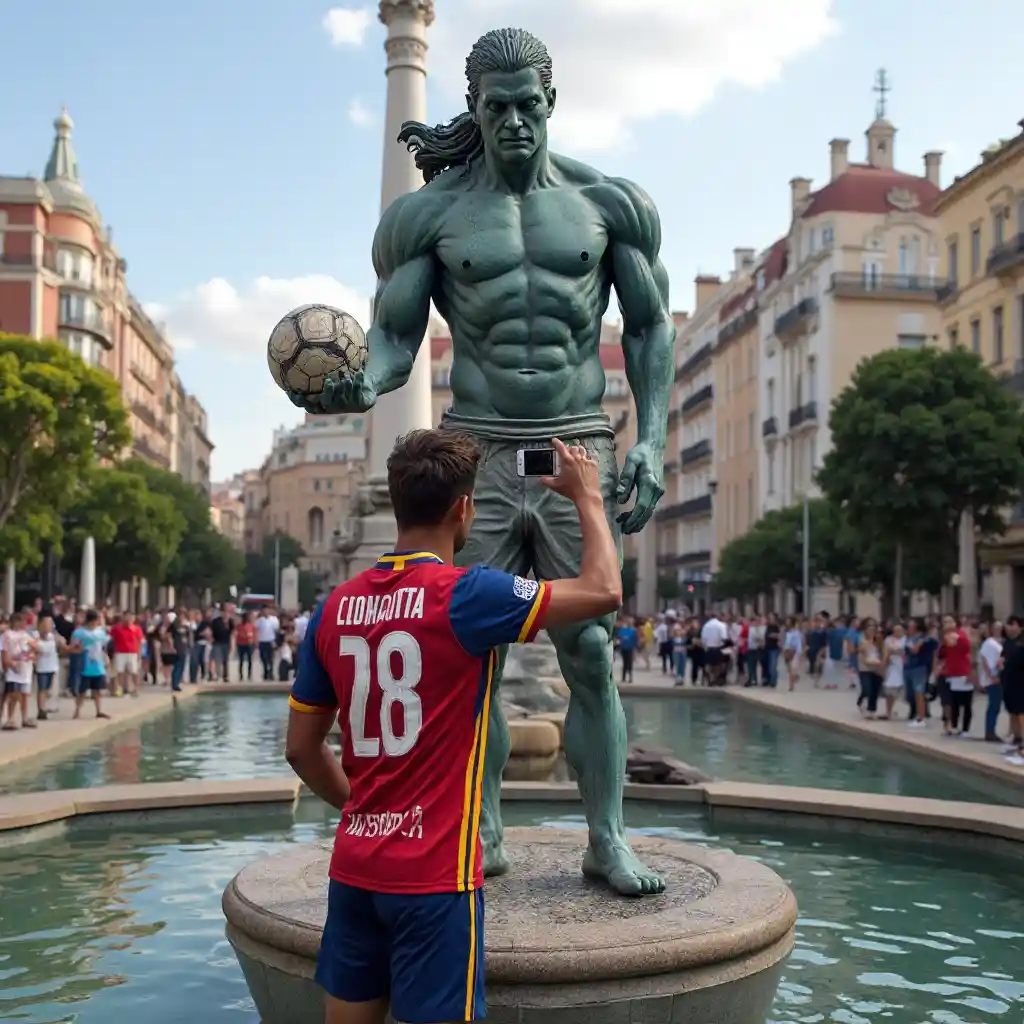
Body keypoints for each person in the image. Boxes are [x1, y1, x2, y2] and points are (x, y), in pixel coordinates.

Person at [284, 26, 673, 897]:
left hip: (580, 441)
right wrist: (358, 383)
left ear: (551, 102)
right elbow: (394, 340)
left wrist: (648, 439)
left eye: (528, 106)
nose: (515, 124)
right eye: (496, 109)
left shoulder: (610, 204)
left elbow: (647, 328)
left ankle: (606, 837)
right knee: (475, 655)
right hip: (481, 448)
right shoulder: (428, 216)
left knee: (592, 652)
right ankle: (486, 828)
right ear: (475, 109)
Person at [284, 431, 622, 1024]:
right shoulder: (467, 596)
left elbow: (301, 750)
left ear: (394, 502)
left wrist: (360, 807)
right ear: (463, 509)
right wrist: (588, 498)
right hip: (435, 881)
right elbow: (603, 590)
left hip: (356, 868)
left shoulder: (333, 608)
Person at [69, 609, 110, 719]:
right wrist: (79, 649)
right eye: (97, 620)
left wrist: (106, 659)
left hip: (98, 664)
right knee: (82, 691)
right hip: (85, 664)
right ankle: (77, 711)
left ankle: (99, 710)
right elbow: (73, 646)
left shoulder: (100, 632)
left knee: (97, 689)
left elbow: (104, 646)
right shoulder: (79, 632)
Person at [1, 611, 36, 730]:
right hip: (13, 668)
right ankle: (10, 718)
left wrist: (31, 653)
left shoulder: (26, 635)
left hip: (25, 668)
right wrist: (9, 663)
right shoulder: (7, 634)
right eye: (20, 621)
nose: (22, 623)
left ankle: (25, 718)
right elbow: (5, 651)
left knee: (25, 695)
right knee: (13, 695)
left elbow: (34, 647)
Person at [110, 611, 144, 697]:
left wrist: (139, 653)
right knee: (120, 671)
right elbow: (111, 639)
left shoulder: (137, 629)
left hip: (133, 653)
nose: (129, 620)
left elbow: (140, 641)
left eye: (131, 618)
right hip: (120, 653)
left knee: (134, 671)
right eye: (127, 617)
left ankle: (136, 689)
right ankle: (120, 689)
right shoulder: (116, 628)